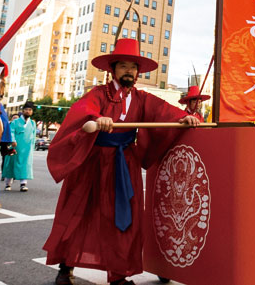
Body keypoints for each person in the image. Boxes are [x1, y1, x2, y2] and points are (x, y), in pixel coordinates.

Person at [43, 37, 201, 285]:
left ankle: (118, 276)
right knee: (78, 212)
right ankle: (65, 267)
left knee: (124, 217)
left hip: (123, 163)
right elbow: (85, 110)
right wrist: (98, 117)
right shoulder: (99, 93)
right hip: (92, 162)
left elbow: (163, 111)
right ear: (113, 69)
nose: (129, 71)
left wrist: (185, 117)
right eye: (124, 66)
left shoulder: (141, 98)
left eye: (133, 67)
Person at [2, 102, 37, 192]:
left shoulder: (33, 123)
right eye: (26, 110)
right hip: (15, 146)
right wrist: (13, 140)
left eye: (30, 110)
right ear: (23, 111)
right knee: (10, 164)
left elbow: (33, 136)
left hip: (27, 149)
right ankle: (8, 184)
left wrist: (32, 148)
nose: (28, 111)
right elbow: (11, 132)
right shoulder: (15, 122)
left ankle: (23, 184)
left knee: (25, 165)